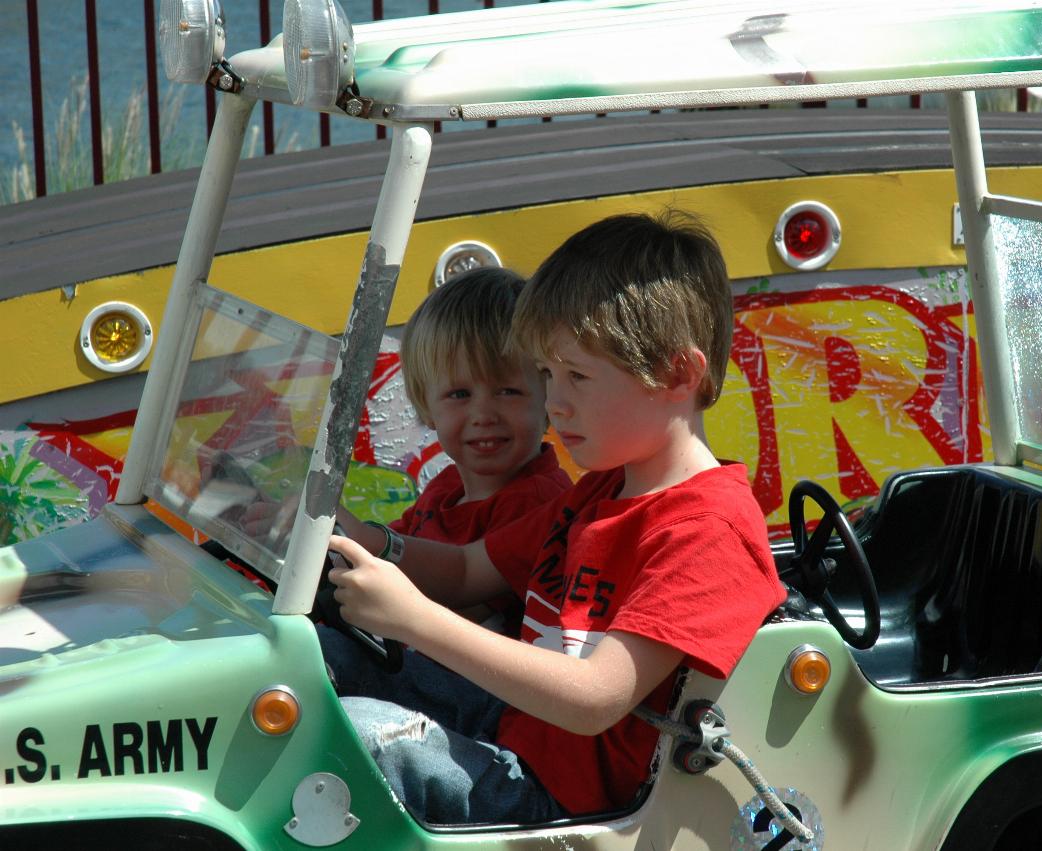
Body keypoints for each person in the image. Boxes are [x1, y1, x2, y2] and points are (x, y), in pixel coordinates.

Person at [326, 211, 785, 826]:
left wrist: (411, 620)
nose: (555, 401)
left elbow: (595, 699)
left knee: (361, 736)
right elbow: (467, 569)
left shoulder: (707, 531)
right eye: (546, 374)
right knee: (319, 656)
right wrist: (363, 541)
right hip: (519, 728)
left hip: (564, 795)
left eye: (576, 376)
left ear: (678, 374)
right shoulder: (600, 489)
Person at [330, 266, 569, 617]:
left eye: (508, 391)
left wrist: (355, 539)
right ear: (426, 406)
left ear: (549, 397)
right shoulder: (447, 487)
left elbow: (463, 607)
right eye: (460, 394)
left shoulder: (541, 503)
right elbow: (395, 545)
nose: (483, 414)